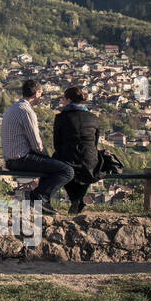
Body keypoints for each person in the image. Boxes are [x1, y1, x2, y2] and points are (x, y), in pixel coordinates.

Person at [0, 79, 74, 212]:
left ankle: (42, 202)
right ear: (36, 93)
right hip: (21, 159)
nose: (41, 97)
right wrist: (48, 157)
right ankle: (38, 198)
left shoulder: (13, 108)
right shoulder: (26, 111)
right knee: (67, 171)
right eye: (41, 93)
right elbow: (36, 144)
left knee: (50, 166)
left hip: (10, 159)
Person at [53, 85, 100, 215]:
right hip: (90, 158)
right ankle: (78, 199)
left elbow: (56, 143)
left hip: (68, 156)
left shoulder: (61, 118)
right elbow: (95, 143)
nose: (62, 102)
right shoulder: (93, 118)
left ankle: (75, 199)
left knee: (59, 165)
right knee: (87, 170)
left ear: (68, 100)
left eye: (63, 99)